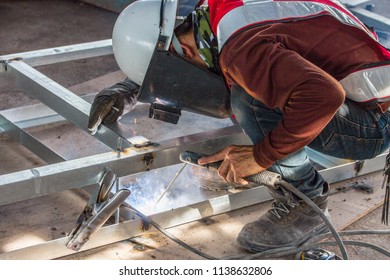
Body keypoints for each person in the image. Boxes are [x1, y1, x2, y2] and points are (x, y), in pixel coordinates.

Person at [88, 0, 390, 252]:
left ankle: (305, 205)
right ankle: (271, 163)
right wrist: (133, 87)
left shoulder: (240, 50)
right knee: (240, 80)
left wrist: (261, 156)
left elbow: (324, 96)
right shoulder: (214, 13)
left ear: (182, 51)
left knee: (246, 97)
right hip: (364, 85)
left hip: (375, 121)